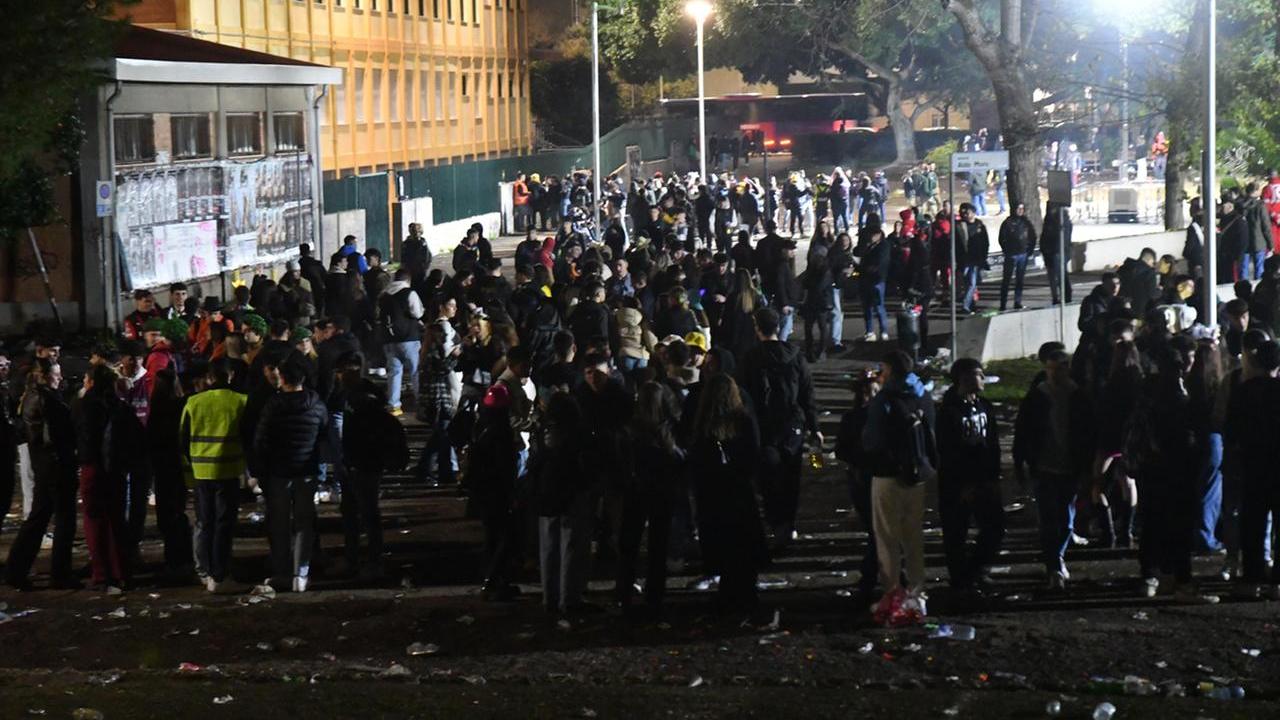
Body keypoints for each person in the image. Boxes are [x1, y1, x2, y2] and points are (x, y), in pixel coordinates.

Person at [861, 350, 936, 624]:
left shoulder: (884, 399)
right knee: (913, 536)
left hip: (887, 476)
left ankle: (893, 594)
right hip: (917, 474)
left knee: (887, 538)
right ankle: (918, 595)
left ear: (889, 369)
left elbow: (872, 441)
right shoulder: (922, 394)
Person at [1013, 349, 1093, 589]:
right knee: (1049, 518)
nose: (1055, 374)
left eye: (1059, 368)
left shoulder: (1078, 396)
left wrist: (1087, 465)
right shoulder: (1038, 397)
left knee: (1065, 519)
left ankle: (1057, 556)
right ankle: (1053, 563)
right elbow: (1023, 431)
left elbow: (1088, 433)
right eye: (1051, 368)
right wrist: (1022, 462)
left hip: (1069, 466)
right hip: (1045, 466)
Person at [741, 308, 821, 545]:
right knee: (791, 476)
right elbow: (807, 393)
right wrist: (814, 425)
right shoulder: (795, 356)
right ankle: (788, 522)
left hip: (764, 425)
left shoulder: (751, 357)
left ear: (757, 328)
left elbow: (743, 395)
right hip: (792, 424)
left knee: (767, 477)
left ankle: (776, 521)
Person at [689, 373, 766, 615]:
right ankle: (745, 591)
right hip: (738, 489)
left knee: (720, 541)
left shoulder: (703, 422)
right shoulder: (742, 418)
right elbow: (754, 450)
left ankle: (727, 592)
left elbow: (696, 456)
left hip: (712, 491)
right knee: (742, 541)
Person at [253, 354, 328, 593]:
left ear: (281, 378)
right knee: (305, 524)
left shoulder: (273, 405)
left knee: (280, 523)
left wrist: (258, 469)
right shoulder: (316, 402)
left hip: (279, 472)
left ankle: (282, 571)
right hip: (306, 471)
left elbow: (261, 440)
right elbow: (324, 435)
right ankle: (301, 574)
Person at [4, 359, 78, 591]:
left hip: (44, 466)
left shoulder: (31, 397)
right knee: (64, 520)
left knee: (38, 518)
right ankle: (60, 572)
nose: (61, 378)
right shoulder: (47, 400)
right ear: (46, 377)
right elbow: (54, 437)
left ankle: (16, 569)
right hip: (55, 467)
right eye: (57, 374)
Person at [180, 359, 248, 594]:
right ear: (229, 376)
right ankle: (219, 575)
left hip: (201, 472)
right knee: (223, 524)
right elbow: (247, 437)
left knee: (203, 522)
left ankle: (204, 571)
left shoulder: (193, 402)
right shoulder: (240, 401)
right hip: (228, 471)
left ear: (209, 378)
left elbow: (183, 440)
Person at [936, 358, 1005, 591]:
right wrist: (961, 484)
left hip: (984, 479)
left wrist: (994, 476)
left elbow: (993, 443)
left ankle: (975, 570)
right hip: (958, 483)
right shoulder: (949, 411)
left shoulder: (984, 406)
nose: (983, 380)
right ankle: (960, 580)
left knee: (995, 527)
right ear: (964, 378)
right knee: (957, 532)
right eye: (978, 374)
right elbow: (947, 451)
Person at [616, 381, 684, 616]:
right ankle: (655, 593)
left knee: (630, 543)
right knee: (658, 543)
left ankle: (623, 590)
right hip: (662, 491)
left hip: (636, 490)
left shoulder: (631, 430)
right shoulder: (669, 431)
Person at [468, 382, 522, 601]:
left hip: (482, 491)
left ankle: (491, 578)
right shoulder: (501, 432)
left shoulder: (481, 426)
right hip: (497, 492)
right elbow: (505, 467)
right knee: (506, 537)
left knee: (492, 536)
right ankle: (495, 579)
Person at [379, 268, 425, 416]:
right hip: (409, 338)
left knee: (394, 372)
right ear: (408, 280)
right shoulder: (409, 292)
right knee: (415, 371)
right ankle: (420, 402)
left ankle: (394, 405)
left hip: (389, 338)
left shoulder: (384, 295)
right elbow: (417, 313)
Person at [997, 202, 1037, 311]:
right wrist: (1006, 249)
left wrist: (1030, 250)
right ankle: (1003, 303)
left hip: (1023, 254)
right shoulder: (1007, 222)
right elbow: (1001, 238)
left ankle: (1017, 301)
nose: (1020, 210)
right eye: (1018, 208)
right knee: (1007, 280)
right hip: (1011, 254)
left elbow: (1033, 237)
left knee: (1020, 280)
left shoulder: (1026, 223)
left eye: (1022, 208)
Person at [856, 226, 891, 342]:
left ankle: (884, 331)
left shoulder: (883, 246)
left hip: (876, 280)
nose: (870, 238)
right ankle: (870, 331)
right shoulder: (868, 246)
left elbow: (879, 264)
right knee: (867, 307)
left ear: (878, 235)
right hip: (866, 280)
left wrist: (865, 268)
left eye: (872, 235)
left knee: (879, 306)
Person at [956, 203, 990, 313]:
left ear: (973, 213)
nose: (965, 214)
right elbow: (956, 245)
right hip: (965, 259)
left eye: (967, 212)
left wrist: (984, 255)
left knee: (972, 283)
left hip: (976, 259)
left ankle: (970, 304)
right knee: (970, 283)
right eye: (963, 212)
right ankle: (966, 305)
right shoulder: (960, 226)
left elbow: (985, 242)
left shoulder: (979, 225)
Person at [1042, 201, 1074, 304]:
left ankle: (1065, 296)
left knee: (1061, 276)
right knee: (1054, 276)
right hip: (1050, 252)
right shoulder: (1050, 219)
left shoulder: (1061, 220)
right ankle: (1056, 297)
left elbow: (1063, 238)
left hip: (1057, 252)